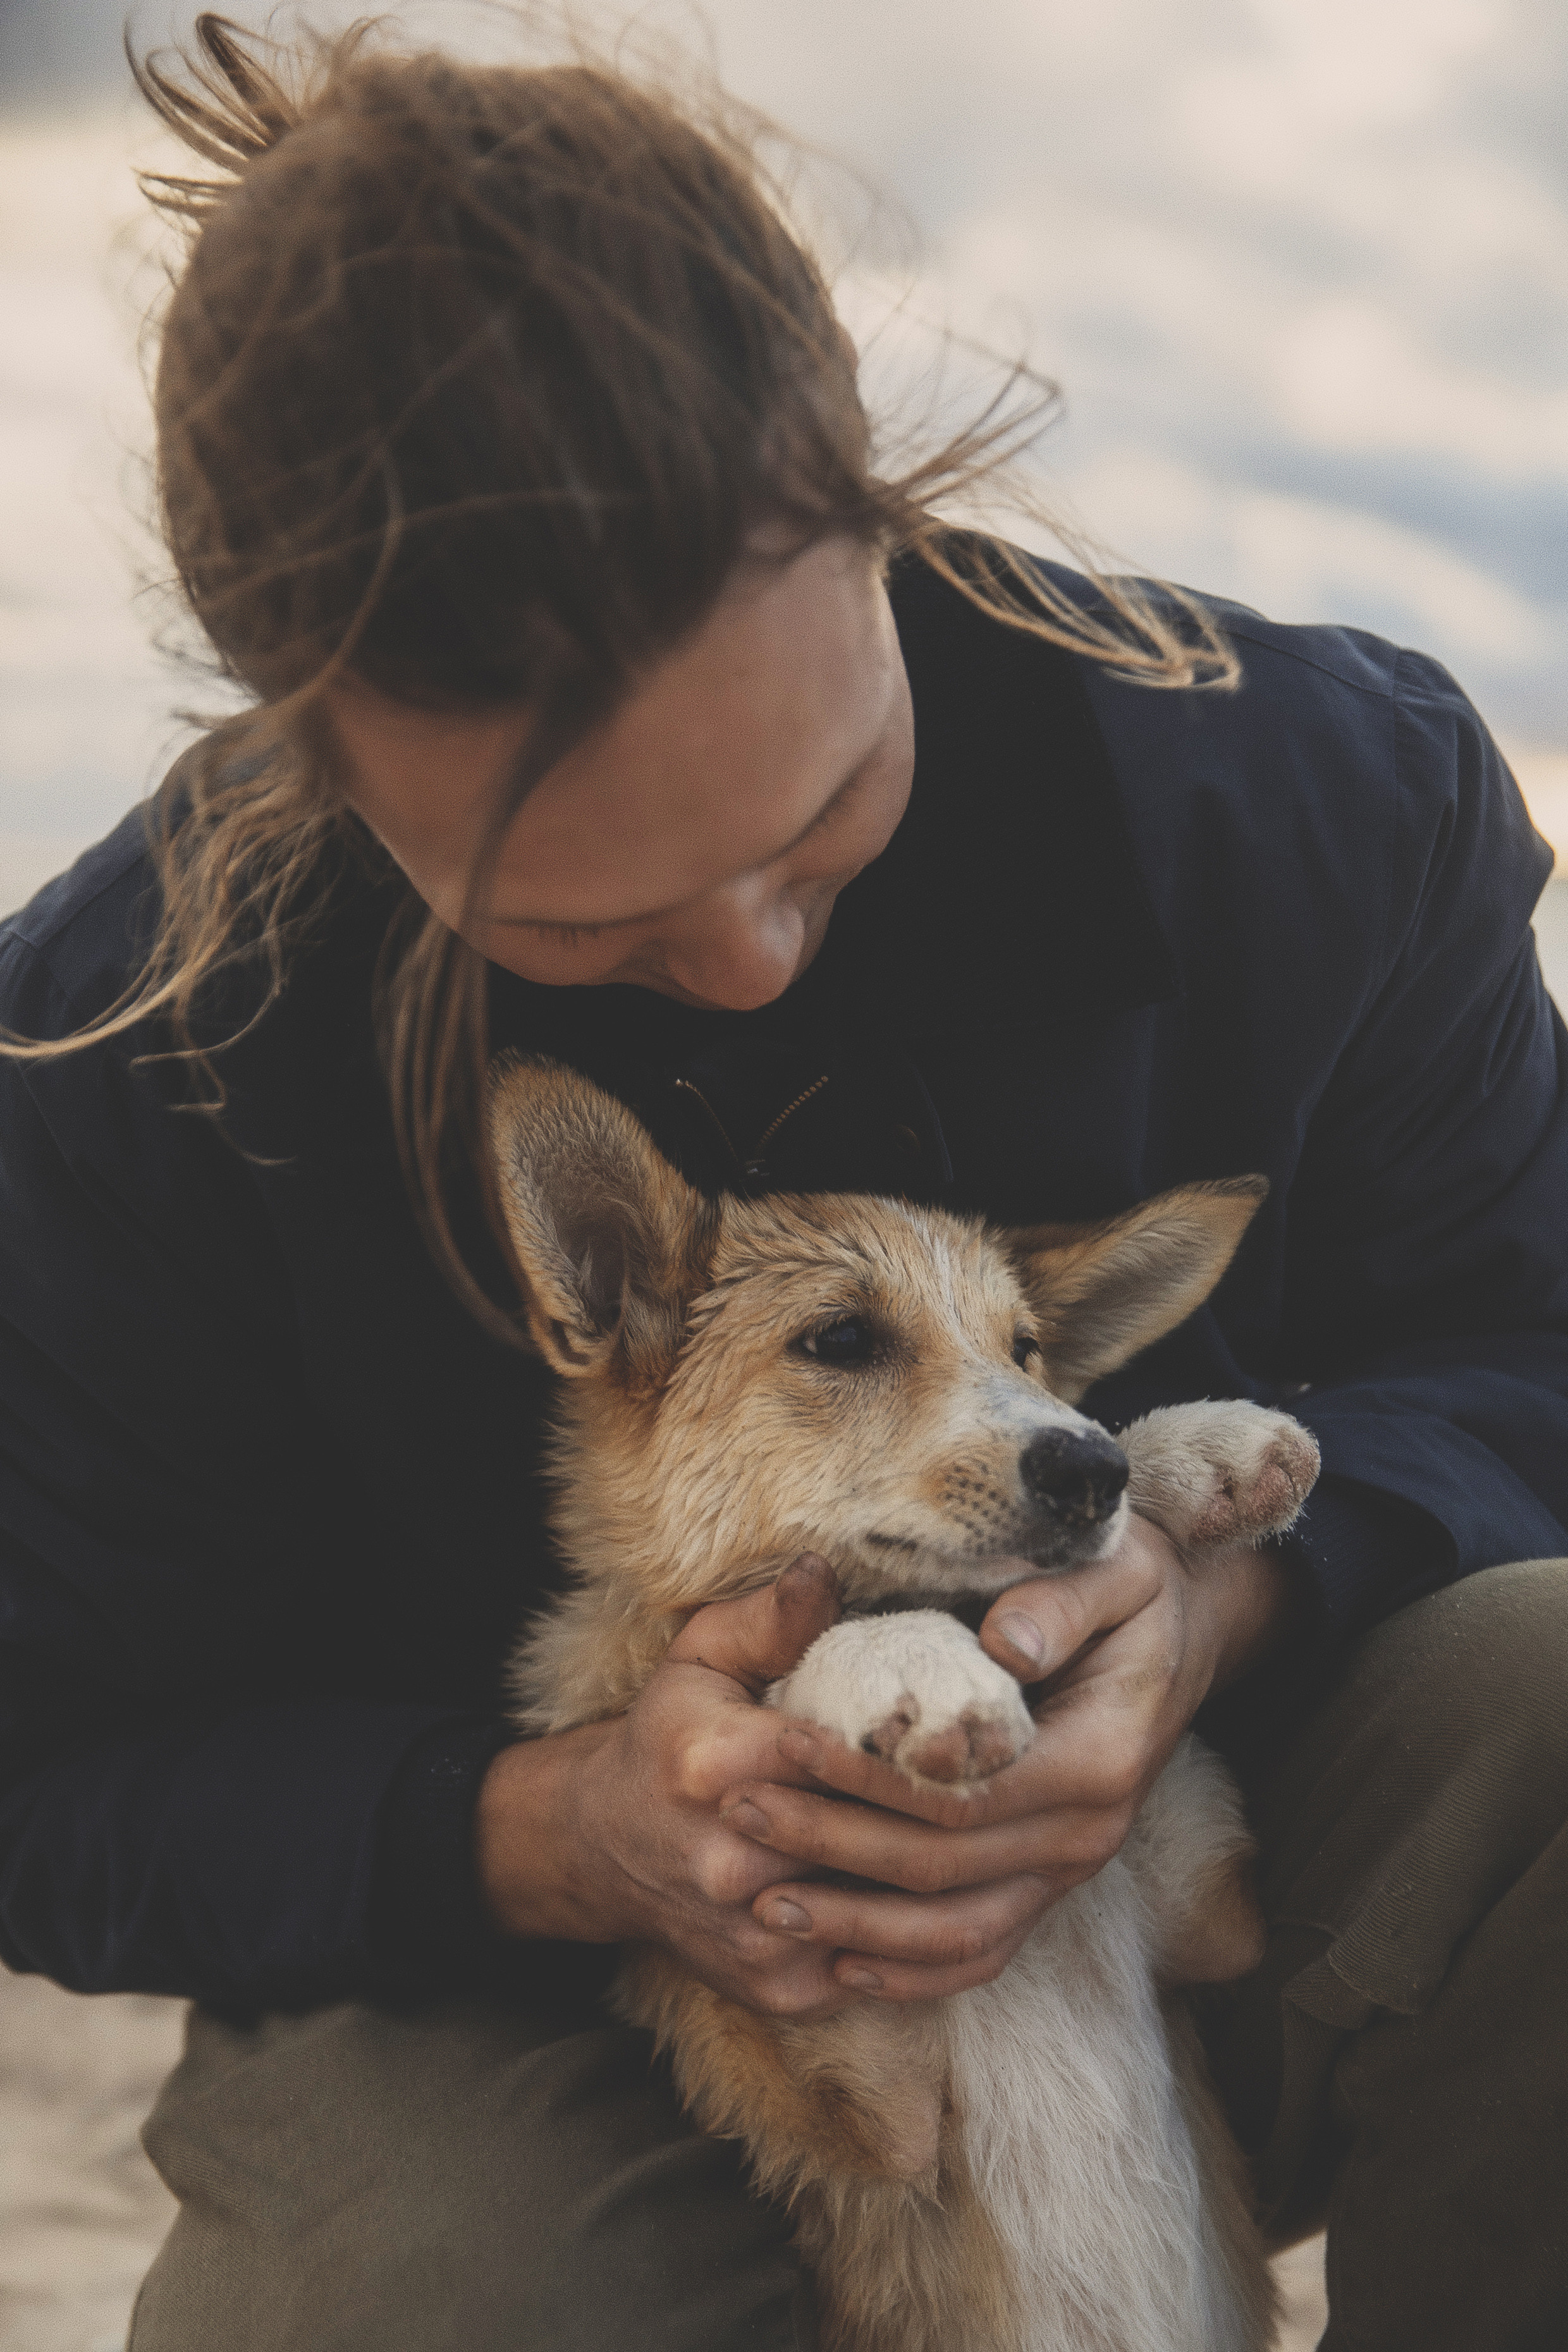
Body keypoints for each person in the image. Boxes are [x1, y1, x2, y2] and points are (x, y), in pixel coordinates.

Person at [1, 16, 1564, 2351]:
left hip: (1232, 1812)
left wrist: (1231, 1606)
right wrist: (563, 1831)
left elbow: (1527, 1339)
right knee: (400, 2293)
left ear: (869, 496)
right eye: (585, 930)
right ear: (310, 763)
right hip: (527, 1987)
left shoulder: (1323, 807)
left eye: (822, 818)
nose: (738, 966)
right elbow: (56, 1766)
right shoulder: (116, 1057)